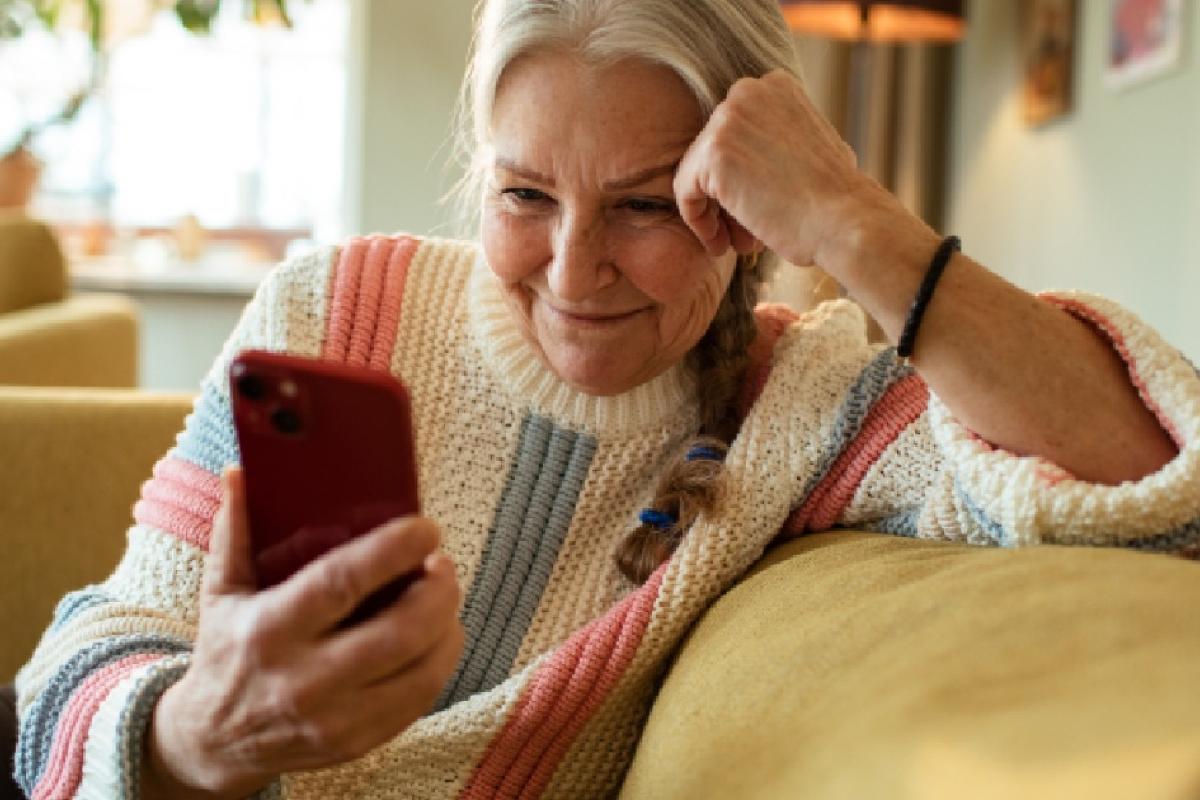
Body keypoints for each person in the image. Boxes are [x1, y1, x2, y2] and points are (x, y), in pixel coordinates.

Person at [14, 0, 1199, 798]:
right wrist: (196, 734)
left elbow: (1159, 489)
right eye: (524, 195)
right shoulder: (336, 307)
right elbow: (83, 660)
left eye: (642, 205)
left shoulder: (806, 406)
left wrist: (854, 219)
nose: (574, 275)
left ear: (745, 207)